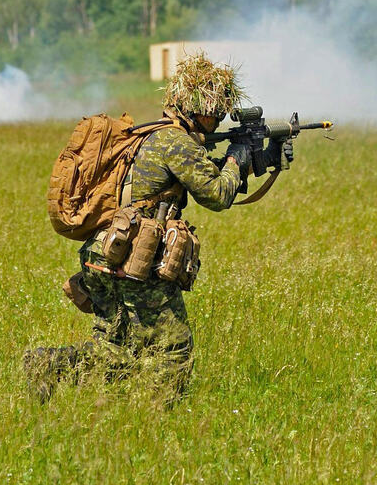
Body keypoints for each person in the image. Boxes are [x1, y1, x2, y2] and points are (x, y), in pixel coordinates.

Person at [23, 52, 249, 407]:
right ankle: (161, 418)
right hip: (134, 260)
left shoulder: (151, 135)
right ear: (195, 107)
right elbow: (218, 194)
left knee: (116, 348)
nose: (217, 119)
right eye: (214, 111)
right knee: (174, 348)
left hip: (106, 252)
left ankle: (51, 365)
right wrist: (238, 161)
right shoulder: (176, 142)